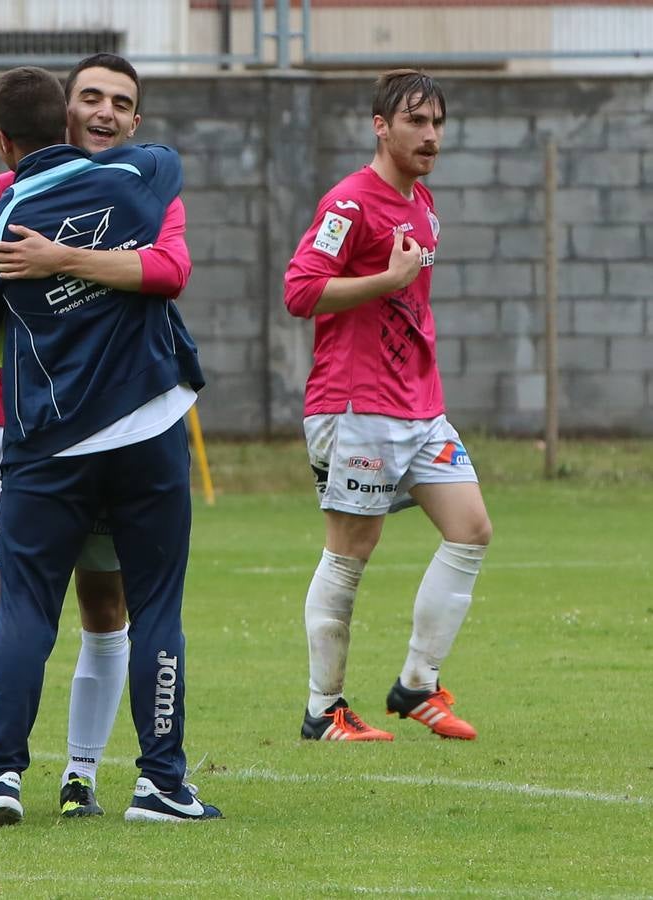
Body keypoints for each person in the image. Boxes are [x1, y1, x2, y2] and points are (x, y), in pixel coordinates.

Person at [0, 66, 218, 825]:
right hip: (148, 428)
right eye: (93, 99)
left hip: (49, 441)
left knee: (29, 608)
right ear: (64, 116)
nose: (106, 112)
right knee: (154, 608)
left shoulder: (0, 219)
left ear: (0, 139)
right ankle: (160, 783)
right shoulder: (150, 172)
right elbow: (157, 249)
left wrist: (55, 265)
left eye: (121, 103)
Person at [283, 69, 490, 743]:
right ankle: (324, 710)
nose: (429, 135)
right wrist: (384, 279)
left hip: (418, 406)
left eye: (436, 123)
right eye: (415, 122)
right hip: (355, 403)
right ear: (380, 125)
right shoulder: (348, 204)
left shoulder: (423, 202)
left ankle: (415, 686)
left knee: (470, 528)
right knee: (351, 551)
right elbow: (299, 291)